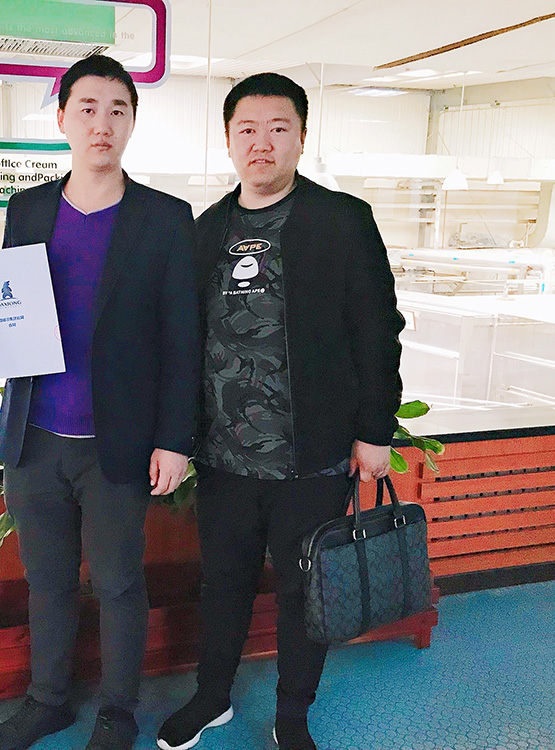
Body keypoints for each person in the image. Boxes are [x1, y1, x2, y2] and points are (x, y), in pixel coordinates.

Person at [0, 55, 198, 750]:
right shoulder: (28, 208)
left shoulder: (165, 219)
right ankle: (48, 701)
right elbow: (11, 307)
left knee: (118, 584)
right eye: (87, 108)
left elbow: (183, 338)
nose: (102, 124)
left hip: (117, 443)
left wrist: (175, 439)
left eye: (118, 110)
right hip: (34, 437)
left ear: (132, 123)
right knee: (49, 582)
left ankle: (117, 711)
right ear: (62, 118)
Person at [156, 73, 405, 750]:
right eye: (248, 129)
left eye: (277, 128)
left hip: (312, 456)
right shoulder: (205, 230)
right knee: (223, 585)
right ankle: (212, 698)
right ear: (228, 139)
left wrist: (374, 431)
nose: (261, 142)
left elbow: (377, 331)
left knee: (305, 591)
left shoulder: (341, 220)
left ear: (300, 136)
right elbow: (176, 334)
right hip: (224, 457)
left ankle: (292, 713)